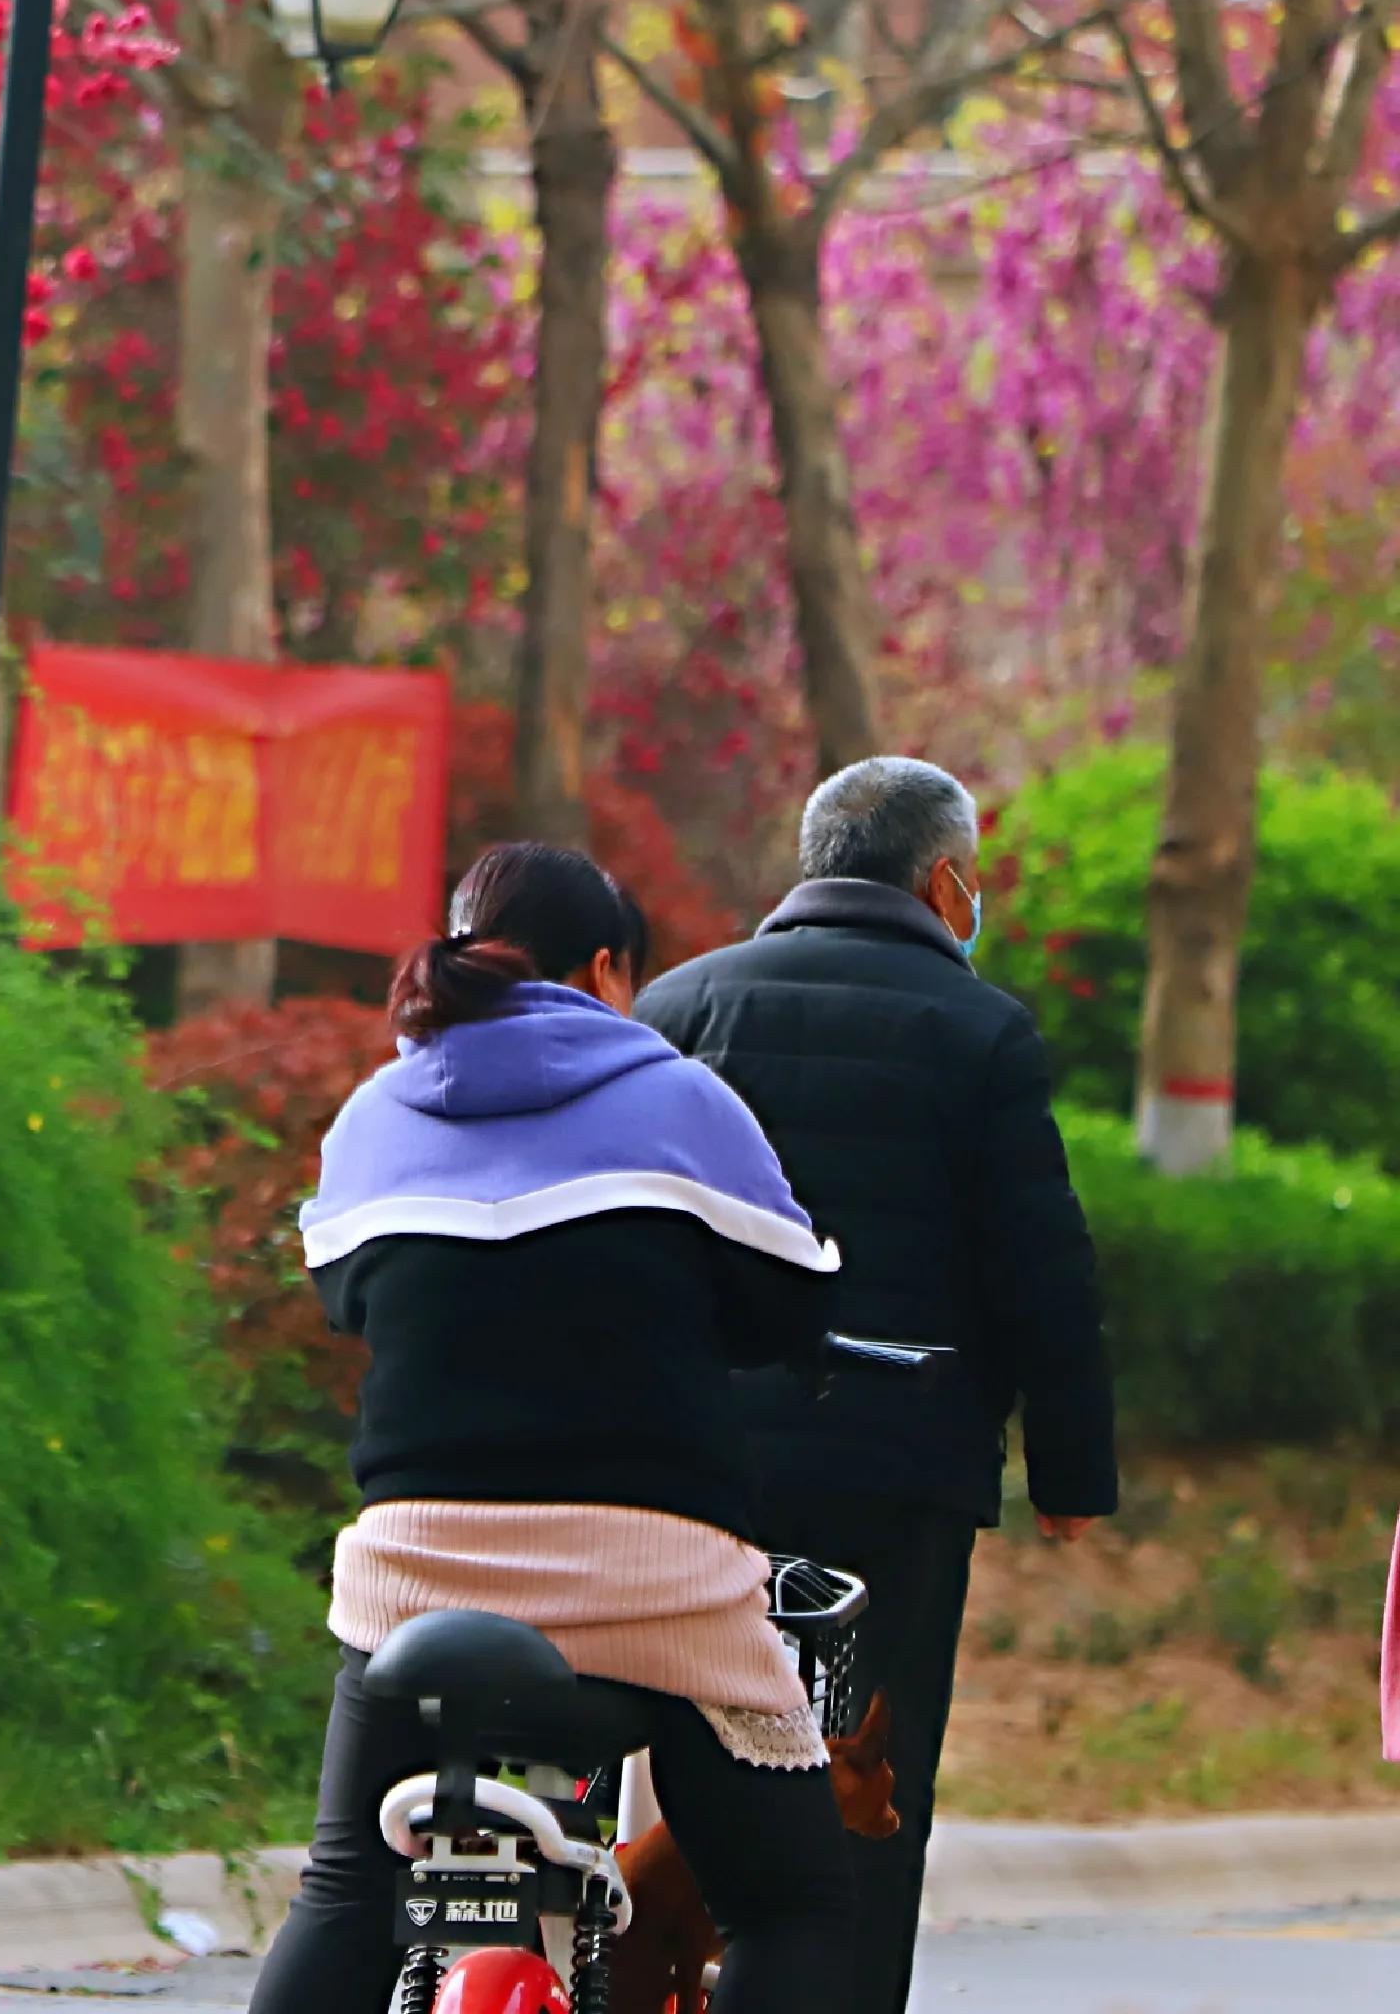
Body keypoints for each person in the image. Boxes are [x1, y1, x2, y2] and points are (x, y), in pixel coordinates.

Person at [251, 842, 855, 2014]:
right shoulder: (680, 1096)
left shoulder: (376, 1112)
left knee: (343, 1891)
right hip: (653, 1580)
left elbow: (345, 1297)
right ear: (605, 970)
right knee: (794, 1909)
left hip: (415, 1575)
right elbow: (792, 1299)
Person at [636, 755, 1119, 2014]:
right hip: (891, 1477)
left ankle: (660, 1979)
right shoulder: (978, 1031)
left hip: (701, 1470)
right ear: (947, 881)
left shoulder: (681, 1006)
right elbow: (1040, 1272)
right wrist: (1070, 1474)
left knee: (693, 1747)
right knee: (862, 1771)